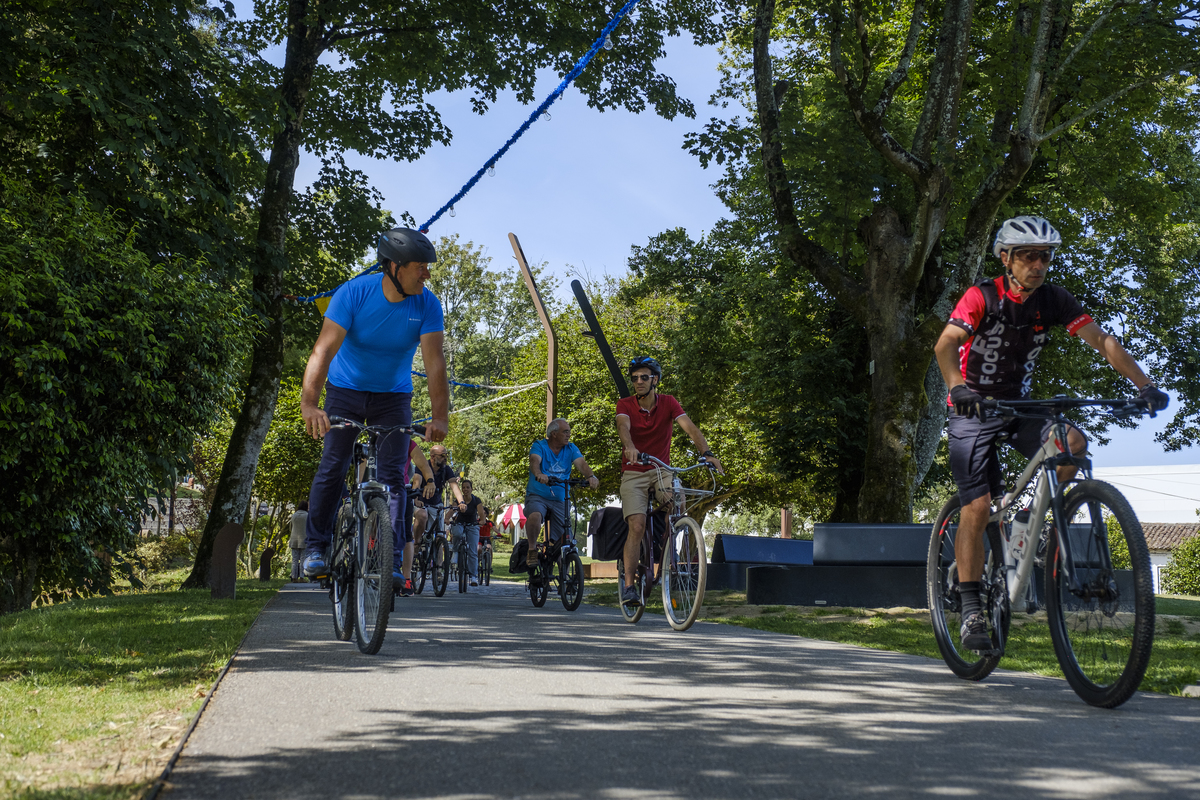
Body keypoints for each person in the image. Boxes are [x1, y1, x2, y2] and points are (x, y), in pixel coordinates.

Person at [933, 215, 1169, 650]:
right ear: (1006, 258)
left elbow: (1101, 340)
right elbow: (945, 344)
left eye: (1045, 256)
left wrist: (1145, 386)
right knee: (979, 506)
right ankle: (969, 608)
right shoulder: (981, 296)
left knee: (1074, 442)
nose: (1038, 264)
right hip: (974, 409)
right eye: (1028, 256)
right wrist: (958, 388)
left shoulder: (1056, 300)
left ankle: (1027, 525)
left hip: (1020, 408)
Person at [299, 228, 450, 582]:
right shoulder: (353, 294)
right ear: (394, 267)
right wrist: (310, 404)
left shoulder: (426, 304)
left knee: (393, 479)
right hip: (345, 389)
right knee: (333, 465)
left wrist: (440, 416)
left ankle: (392, 560)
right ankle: (316, 548)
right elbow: (322, 351)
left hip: (393, 396)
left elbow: (435, 364)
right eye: (420, 267)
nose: (426, 274)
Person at [616, 357, 723, 606]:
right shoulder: (625, 404)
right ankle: (630, 586)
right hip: (634, 470)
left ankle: (667, 555)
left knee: (678, 503)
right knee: (637, 525)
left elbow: (691, 428)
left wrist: (707, 453)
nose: (638, 382)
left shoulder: (668, 402)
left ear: (655, 380)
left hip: (661, 469)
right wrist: (629, 446)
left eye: (644, 377)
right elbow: (623, 426)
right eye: (634, 378)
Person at [524, 418, 599, 574]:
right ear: (553, 434)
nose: (569, 435)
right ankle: (532, 549)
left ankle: (565, 580)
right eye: (565, 432)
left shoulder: (571, 448)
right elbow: (534, 461)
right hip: (538, 495)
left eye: (569, 432)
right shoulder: (539, 446)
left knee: (565, 537)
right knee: (535, 516)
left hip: (560, 498)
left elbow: (581, 464)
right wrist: (538, 474)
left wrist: (590, 476)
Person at [398, 436, 436, 596]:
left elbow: (423, 464)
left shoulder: (407, 443)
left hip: (402, 489)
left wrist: (430, 481)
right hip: (379, 489)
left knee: (406, 534)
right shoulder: (375, 437)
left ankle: (406, 578)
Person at [413, 443, 464, 540]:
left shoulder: (446, 469)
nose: (445, 458)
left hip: (436, 504)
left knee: (440, 537)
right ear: (433, 457)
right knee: (422, 515)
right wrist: (416, 500)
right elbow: (416, 483)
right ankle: (416, 543)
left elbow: (454, 486)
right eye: (442, 455)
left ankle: (438, 550)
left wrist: (461, 502)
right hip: (421, 502)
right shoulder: (422, 467)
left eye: (446, 455)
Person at [450, 479, 486, 586]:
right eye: (463, 487)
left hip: (472, 525)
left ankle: (473, 576)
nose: (465, 489)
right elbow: (451, 510)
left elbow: (481, 513)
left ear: (471, 489)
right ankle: (455, 551)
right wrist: (447, 518)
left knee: (473, 551)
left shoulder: (476, 500)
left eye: (467, 487)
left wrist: (482, 521)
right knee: (456, 533)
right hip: (460, 523)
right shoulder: (458, 500)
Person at [289, 501, 309, 582]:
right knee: (303, 559)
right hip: (304, 540)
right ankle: (301, 577)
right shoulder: (307, 516)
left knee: (294, 560)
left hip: (294, 540)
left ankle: (294, 577)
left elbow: (290, 527)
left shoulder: (294, 516)